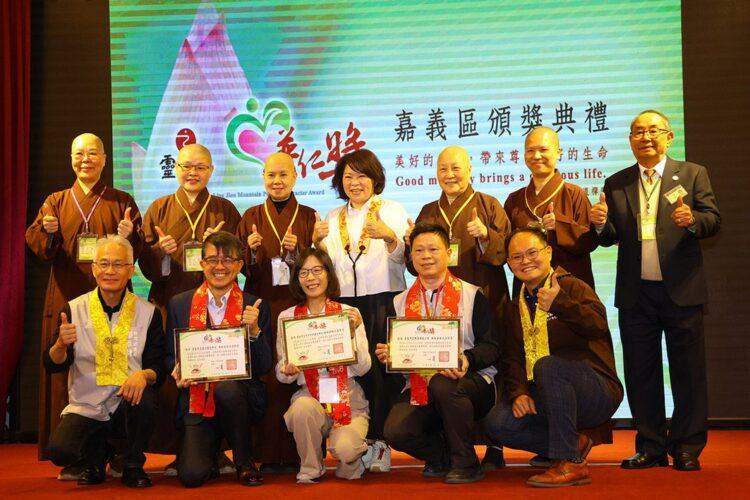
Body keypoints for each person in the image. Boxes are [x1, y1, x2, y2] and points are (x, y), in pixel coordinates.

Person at [591, 110, 720, 471]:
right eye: (638, 132)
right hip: (637, 294)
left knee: (688, 373)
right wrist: (600, 225)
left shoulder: (692, 174)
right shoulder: (617, 182)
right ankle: (650, 445)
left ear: (669, 136)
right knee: (640, 372)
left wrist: (692, 220)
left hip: (682, 290)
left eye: (653, 131)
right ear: (630, 139)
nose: (645, 138)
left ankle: (687, 447)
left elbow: (713, 220)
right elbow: (610, 237)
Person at [26, 133, 143, 469]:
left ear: (105, 159)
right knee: (68, 368)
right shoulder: (56, 201)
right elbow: (38, 245)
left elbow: (139, 249)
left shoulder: (121, 200)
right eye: (79, 154)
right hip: (67, 296)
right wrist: (49, 232)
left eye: (93, 153)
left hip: (113, 298)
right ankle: (75, 452)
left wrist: (130, 236)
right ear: (71, 159)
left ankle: (119, 450)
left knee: (119, 364)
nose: (86, 159)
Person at [484, 226, 623, 487]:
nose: (525, 261)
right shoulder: (514, 306)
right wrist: (519, 393)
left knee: (547, 366)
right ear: (509, 263)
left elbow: (598, 326)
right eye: (517, 257)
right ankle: (575, 443)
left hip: (595, 389)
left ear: (548, 252)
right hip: (546, 392)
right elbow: (512, 358)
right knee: (498, 423)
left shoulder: (571, 286)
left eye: (532, 252)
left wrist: (560, 304)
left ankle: (570, 461)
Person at [406, 145, 510, 467]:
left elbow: (505, 251)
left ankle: (494, 445)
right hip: (437, 304)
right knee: (441, 377)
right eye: (443, 169)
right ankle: (448, 445)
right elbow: (415, 264)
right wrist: (410, 242)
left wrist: (485, 235)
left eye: (456, 168)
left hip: (480, 299)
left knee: (488, 367)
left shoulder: (489, 204)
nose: (449, 175)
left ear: (470, 169)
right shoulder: (428, 211)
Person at [140, 143, 241, 465]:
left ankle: (219, 450)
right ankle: (180, 450)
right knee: (176, 376)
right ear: (175, 169)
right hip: (173, 305)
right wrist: (162, 253)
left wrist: (219, 247)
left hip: (217, 304)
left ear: (211, 170)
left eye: (200, 167)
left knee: (219, 373)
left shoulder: (224, 209)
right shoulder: (159, 208)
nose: (192, 173)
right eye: (186, 166)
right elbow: (145, 264)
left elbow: (238, 257)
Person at [378, 222, 499, 484]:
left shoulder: (472, 294)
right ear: (410, 256)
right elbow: (397, 354)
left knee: (444, 383)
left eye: (433, 249)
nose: (426, 256)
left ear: (448, 253)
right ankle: (442, 456)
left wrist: (467, 359)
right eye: (419, 250)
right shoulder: (399, 302)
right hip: (419, 385)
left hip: (470, 383)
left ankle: (467, 464)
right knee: (396, 431)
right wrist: (391, 355)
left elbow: (491, 347)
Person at [314, 149, 409, 471]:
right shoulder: (332, 217)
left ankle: (381, 443)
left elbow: (405, 259)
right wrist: (315, 243)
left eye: (362, 175)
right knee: (352, 371)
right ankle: (356, 438)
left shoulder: (392, 210)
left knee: (383, 372)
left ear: (375, 179)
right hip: (345, 303)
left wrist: (390, 237)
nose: (355, 183)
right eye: (348, 177)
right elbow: (326, 264)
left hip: (384, 299)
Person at [44, 235, 164, 488]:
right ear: (94, 268)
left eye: (118, 265)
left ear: (130, 271)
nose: (110, 271)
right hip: (87, 404)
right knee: (59, 451)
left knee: (145, 397)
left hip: (127, 401)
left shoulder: (148, 312)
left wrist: (143, 374)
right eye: (104, 264)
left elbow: (158, 366)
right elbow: (53, 364)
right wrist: (60, 345)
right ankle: (97, 457)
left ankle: (132, 465)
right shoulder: (74, 309)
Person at [166, 231, 272, 487]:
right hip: (197, 398)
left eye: (228, 260)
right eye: (213, 260)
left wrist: (255, 331)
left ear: (239, 265)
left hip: (239, 399)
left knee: (227, 389)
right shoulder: (179, 304)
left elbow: (264, 366)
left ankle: (244, 461)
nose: (220, 267)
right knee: (192, 476)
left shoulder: (254, 306)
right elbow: (170, 356)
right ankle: (211, 452)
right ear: (202, 263)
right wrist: (177, 370)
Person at [236, 152, 317, 471]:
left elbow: (319, 267)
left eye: (283, 175)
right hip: (262, 307)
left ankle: (300, 453)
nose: (277, 181)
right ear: (263, 178)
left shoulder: (309, 216)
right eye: (271, 175)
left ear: (295, 176)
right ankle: (267, 454)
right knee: (267, 377)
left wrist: (299, 253)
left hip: (299, 306)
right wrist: (252, 252)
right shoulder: (251, 216)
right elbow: (241, 268)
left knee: (300, 373)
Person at [276, 247, 371, 483]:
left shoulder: (349, 313)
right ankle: (310, 467)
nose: (311, 278)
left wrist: (352, 335)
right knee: (301, 409)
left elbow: (363, 368)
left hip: (348, 395)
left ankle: (354, 460)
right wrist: (286, 370)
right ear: (297, 279)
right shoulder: (287, 317)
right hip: (309, 393)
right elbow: (282, 373)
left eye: (317, 270)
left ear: (329, 274)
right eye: (304, 272)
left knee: (347, 451)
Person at [504, 127, 598, 292]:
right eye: (530, 150)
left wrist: (560, 225)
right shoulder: (514, 199)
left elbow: (590, 241)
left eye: (543, 150)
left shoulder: (574, 194)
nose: (536, 156)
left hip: (569, 286)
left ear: (558, 152)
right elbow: (506, 247)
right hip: (527, 288)